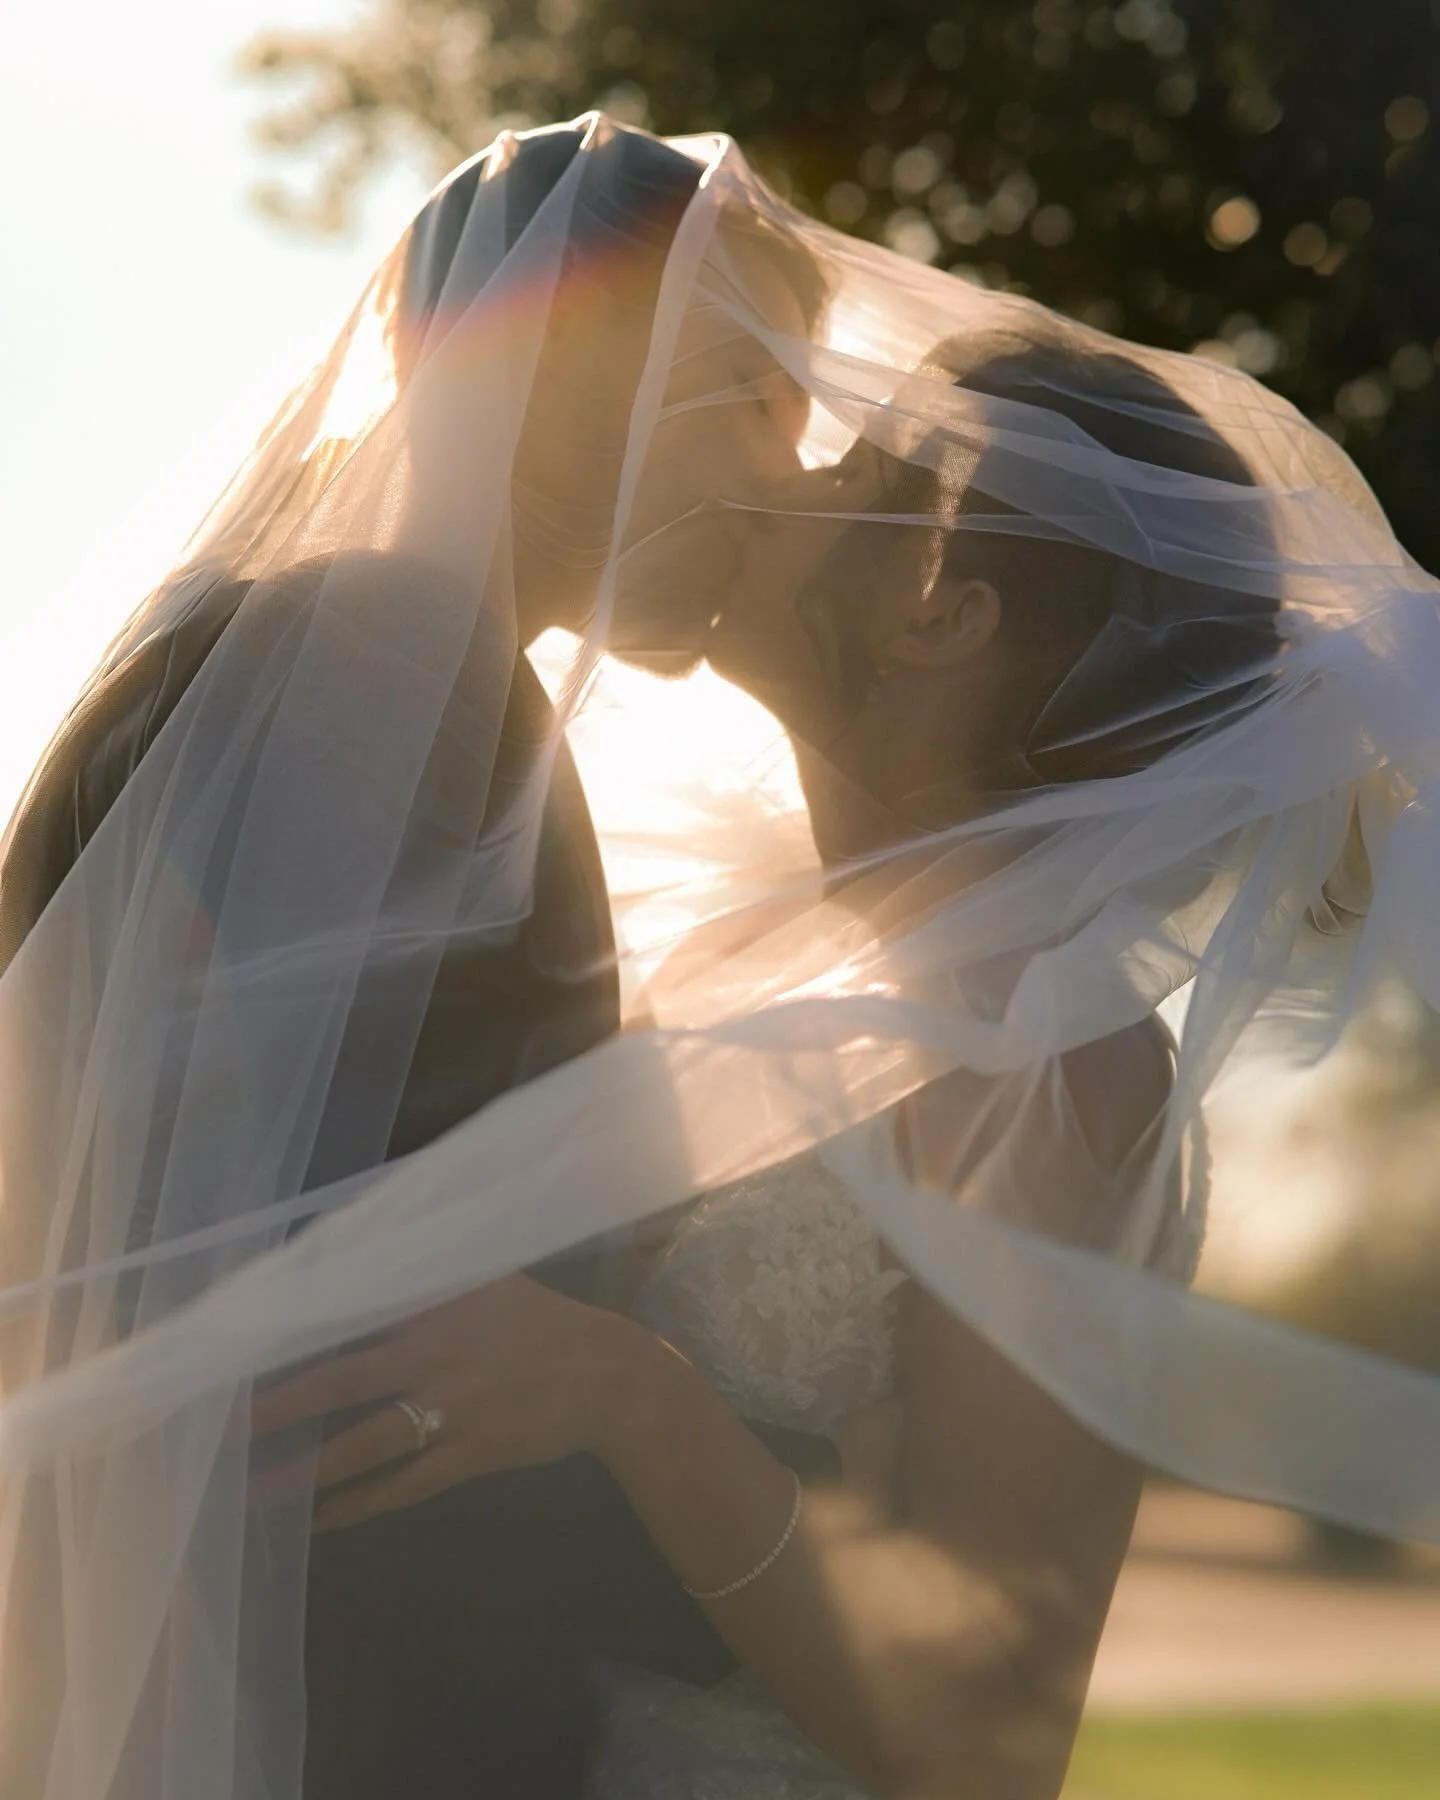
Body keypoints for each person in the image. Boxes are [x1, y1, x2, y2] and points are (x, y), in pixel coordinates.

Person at [2, 113, 1438, 1800]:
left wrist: (641, 1400)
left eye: (842, 457)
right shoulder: (600, 869)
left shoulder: (1052, 1065)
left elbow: (992, 1738)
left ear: (938, 612)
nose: (790, 462)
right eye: (754, 395)